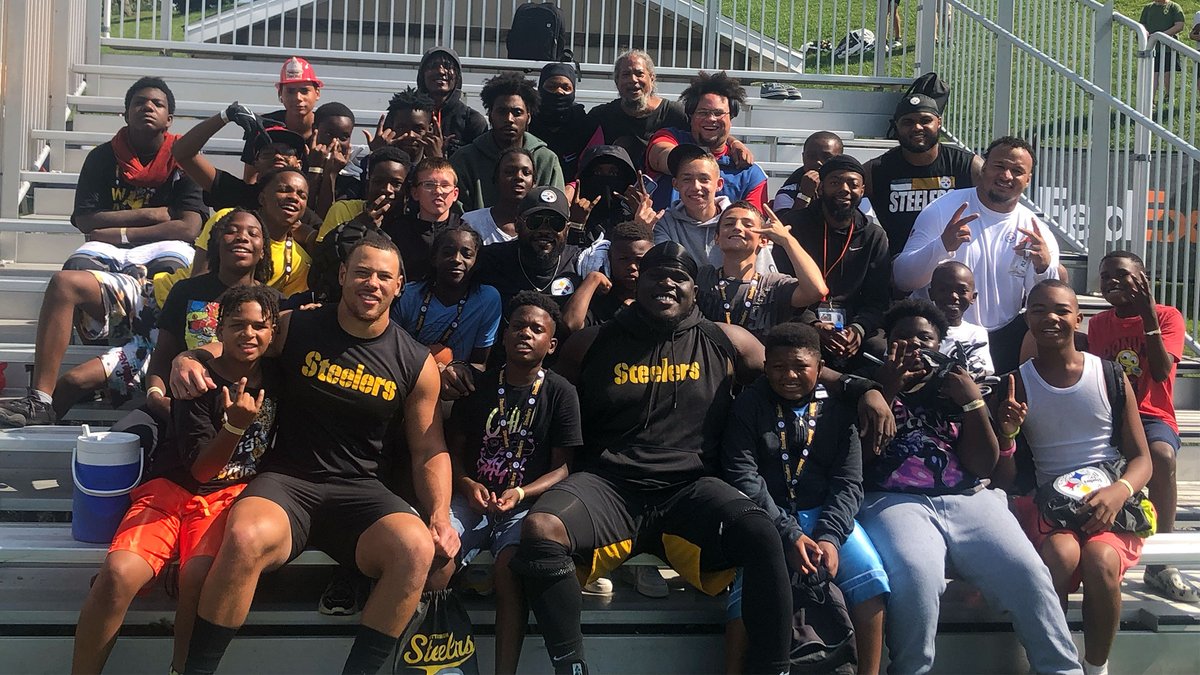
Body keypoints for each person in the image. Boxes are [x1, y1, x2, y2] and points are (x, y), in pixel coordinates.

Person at [509, 242, 893, 675]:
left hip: (690, 489)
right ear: (639, 281)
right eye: (658, 275)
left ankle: (773, 668)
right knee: (541, 529)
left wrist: (863, 389)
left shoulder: (725, 339)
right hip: (610, 487)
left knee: (764, 533)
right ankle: (571, 666)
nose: (668, 284)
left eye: (680, 277)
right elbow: (538, 386)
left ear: (695, 288)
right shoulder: (592, 342)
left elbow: (793, 365)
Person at [170, 234, 460, 675]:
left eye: (384, 276)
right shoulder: (297, 326)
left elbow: (429, 449)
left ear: (399, 286)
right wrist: (188, 357)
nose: (372, 283)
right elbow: (240, 344)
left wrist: (440, 514)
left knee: (415, 548)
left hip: (361, 493)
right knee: (245, 537)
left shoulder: (415, 362)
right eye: (362, 272)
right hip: (288, 482)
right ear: (343, 275)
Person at [859, 299, 1082, 675]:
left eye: (924, 338)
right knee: (917, 575)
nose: (914, 345)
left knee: (1027, 571)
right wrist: (887, 391)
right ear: (888, 343)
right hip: (893, 499)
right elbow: (860, 463)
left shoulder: (957, 386)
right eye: (903, 338)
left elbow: (985, 466)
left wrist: (974, 402)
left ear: (939, 344)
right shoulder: (868, 386)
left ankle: (1062, 670)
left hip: (968, 496)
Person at [71, 284, 279, 675]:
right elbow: (201, 469)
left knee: (198, 576)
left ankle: (181, 669)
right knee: (118, 574)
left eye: (259, 326)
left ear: (272, 332)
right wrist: (233, 427)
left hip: (228, 497)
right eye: (237, 324)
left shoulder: (280, 376)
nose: (248, 334)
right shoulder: (196, 380)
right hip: (170, 489)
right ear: (218, 330)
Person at [722, 322, 889, 675]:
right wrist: (789, 534)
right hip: (765, 516)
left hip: (825, 514)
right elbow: (743, 476)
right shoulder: (747, 404)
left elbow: (849, 481)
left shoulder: (839, 411)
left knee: (872, 578)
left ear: (819, 366)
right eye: (779, 367)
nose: (790, 376)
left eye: (801, 367)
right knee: (743, 590)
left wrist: (829, 537)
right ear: (765, 366)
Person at [1004, 280, 1153, 675]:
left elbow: (1142, 459)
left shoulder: (1110, 376)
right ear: (1027, 318)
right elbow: (1001, 473)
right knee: (1060, 555)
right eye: (1038, 310)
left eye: (1061, 310)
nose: (1050, 318)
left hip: (1110, 499)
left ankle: (1094, 666)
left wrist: (1119, 492)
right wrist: (1007, 434)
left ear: (1078, 317)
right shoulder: (1017, 383)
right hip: (1051, 504)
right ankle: (1052, 662)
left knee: (1101, 560)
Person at [431, 291, 581, 675]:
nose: (525, 334)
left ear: (552, 343)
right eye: (517, 326)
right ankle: (438, 661)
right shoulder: (476, 386)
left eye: (537, 329)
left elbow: (563, 468)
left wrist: (521, 492)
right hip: (473, 499)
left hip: (522, 506)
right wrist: (465, 484)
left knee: (511, 569)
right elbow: (455, 450)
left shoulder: (561, 392)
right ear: (503, 334)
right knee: (438, 556)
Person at [893, 135, 1060, 374]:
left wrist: (1044, 267)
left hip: (1002, 339)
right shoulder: (943, 210)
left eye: (1017, 171)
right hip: (939, 335)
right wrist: (942, 245)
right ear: (984, 167)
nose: (1006, 176)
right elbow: (903, 277)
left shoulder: (1036, 230)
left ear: (1028, 179)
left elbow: (1044, 301)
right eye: (999, 166)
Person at [1086, 251, 1197, 603]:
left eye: (1122, 274)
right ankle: (1103, 551)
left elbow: (1163, 372)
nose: (1112, 282)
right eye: (1105, 276)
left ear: (1143, 279)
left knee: (1162, 455)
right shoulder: (1099, 324)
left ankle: (1162, 562)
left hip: (1152, 414)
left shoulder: (1168, 316)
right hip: (1111, 414)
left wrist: (1148, 315)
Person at [69, 76, 203, 278]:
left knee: (171, 271)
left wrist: (122, 234)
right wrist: (152, 215)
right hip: (107, 246)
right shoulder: (101, 157)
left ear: (169, 119)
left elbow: (189, 228)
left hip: (167, 246)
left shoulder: (186, 159)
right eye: (139, 102)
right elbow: (85, 220)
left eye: (157, 104)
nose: (148, 107)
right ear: (126, 115)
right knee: (75, 271)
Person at [780, 155, 890, 368]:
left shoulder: (873, 235)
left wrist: (858, 328)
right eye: (835, 182)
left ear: (863, 190)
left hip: (851, 322)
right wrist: (813, 324)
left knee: (878, 349)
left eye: (853, 184)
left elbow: (878, 299)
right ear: (820, 189)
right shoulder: (793, 227)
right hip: (803, 317)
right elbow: (782, 287)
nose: (844, 189)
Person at [863, 94, 982, 258]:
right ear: (896, 125)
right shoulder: (875, 170)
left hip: (956, 266)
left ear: (939, 122)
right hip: (899, 268)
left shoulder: (969, 166)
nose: (917, 127)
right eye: (908, 122)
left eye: (925, 120)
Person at [694, 201, 827, 338]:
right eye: (729, 224)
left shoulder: (774, 285)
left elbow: (817, 290)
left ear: (763, 240)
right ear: (716, 238)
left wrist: (787, 240)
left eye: (748, 225)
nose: (737, 228)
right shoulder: (702, 277)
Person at [644, 71, 767, 210]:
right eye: (703, 113)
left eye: (719, 113)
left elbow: (752, 226)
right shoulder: (669, 138)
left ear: (731, 116)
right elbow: (662, 156)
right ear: (690, 116)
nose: (711, 119)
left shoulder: (751, 174)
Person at [450, 71, 565, 211]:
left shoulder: (547, 160)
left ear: (528, 117)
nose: (509, 119)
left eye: (517, 113)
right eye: (501, 112)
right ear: (490, 115)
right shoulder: (465, 159)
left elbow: (555, 212)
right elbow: (457, 216)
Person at [393, 223, 502, 368]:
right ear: (434, 258)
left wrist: (457, 373)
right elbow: (391, 352)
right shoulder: (407, 295)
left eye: (467, 254)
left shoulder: (488, 299)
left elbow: (479, 363)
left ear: (477, 262)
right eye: (447, 253)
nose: (457, 259)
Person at [191, 168, 313, 298]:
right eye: (284, 190)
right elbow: (198, 288)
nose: (294, 197)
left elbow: (282, 308)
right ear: (262, 198)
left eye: (302, 195)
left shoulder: (300, 262)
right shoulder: (228, 219)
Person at [173, 103, 310, 215]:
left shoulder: (304, 204)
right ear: (255, 163)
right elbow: (183, 153)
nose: (278, 156)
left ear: (299, 164)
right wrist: (225, 116)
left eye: (287, 151)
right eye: (267, 152)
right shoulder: (238, 194)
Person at [473, 186, 582, 312]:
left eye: (556, 223)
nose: (545, 230)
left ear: (567, 229)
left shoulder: (579, 263)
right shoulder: (491, 260)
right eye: (535, 221)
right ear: (518, 225)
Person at [580, 50, 688, 171]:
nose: (633, 79)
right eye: (626, 74)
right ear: (617, 81)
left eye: (639, 73)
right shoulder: (601, 115)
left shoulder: (676, 114)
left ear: (652, 78)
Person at [240, 57, 323, 183]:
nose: (298, 98)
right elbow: (250, 180)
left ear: (317, 93)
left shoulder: (326, 127)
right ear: (280, 95)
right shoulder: (262, 126)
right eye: (290, 91)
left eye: (304, 90)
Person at [384, 157, 463, 282]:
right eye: (429, 185)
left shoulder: (464, 231)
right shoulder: (398, 231)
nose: (438, 191)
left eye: (445, 185)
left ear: (455, 194)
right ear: (415, 193)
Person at [562, 221, 652, 330]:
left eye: (640, 260)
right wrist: (593, 278)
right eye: (623, 259)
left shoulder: (656, 297)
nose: (632, 266)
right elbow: (570, 324)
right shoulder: (600, 300)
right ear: (609, 258)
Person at [416, 46, 488, 158]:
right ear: (422, 75)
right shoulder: (405, 114)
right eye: (432, 66)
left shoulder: (473, 121)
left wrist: (438, 158)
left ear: (457, 76)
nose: (440, 71)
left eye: (448, 66)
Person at [928, 261, 994, 378]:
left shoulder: (976, 334)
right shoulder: (919, 328)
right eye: (944, 289)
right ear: (931, 293)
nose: (953, 296)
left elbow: (980, 372)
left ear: (973, 297)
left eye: (962, 290)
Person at [461, 147, 535, 245]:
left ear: (534, 183)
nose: (519, 177)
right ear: (496, 178)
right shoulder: (471, 223)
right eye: (509, 172)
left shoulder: (540, 228)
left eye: (526, 173)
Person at [530, 62, 589, 180]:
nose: (559, 92)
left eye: (566, 88)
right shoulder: (528, 122)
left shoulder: (583, 124)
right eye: (551, 87)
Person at [304, 102, 359, 217]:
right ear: (315, 130)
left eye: (344, 137)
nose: (335, 143)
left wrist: (331, 175)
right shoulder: (298, 165)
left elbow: (325, 220)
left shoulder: (352, 182)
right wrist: (315, 169)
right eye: (329, 134)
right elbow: (305, 216)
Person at [365, 87, 442, 163]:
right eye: (401, 128)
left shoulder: (446, 168)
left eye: (418, 129)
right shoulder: (368, 164)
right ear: (390, 128)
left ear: (430, 130)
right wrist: (378, 154)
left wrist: (437, 161)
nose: (410, 135)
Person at [1140, 0, 1185, 97]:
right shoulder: (1148, 8)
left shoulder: (1173, 7)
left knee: (1168, 74)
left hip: (1169, 48)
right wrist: (1146, 33)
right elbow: (1142, 25)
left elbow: (1179, 25)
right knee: (1153, 74)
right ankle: (1150, 100)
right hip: (1152, 48)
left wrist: (1161, 36)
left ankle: (1169, 95)